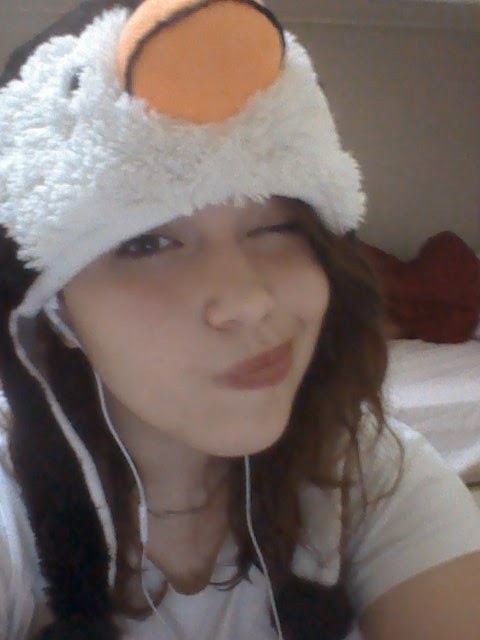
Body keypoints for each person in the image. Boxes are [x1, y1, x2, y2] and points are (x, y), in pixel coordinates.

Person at [0, 1, 479, 639]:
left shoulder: (372, 474)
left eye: (278, 227)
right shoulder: (12, 513)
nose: (249, 301)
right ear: (52, 308)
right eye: (146, 243)